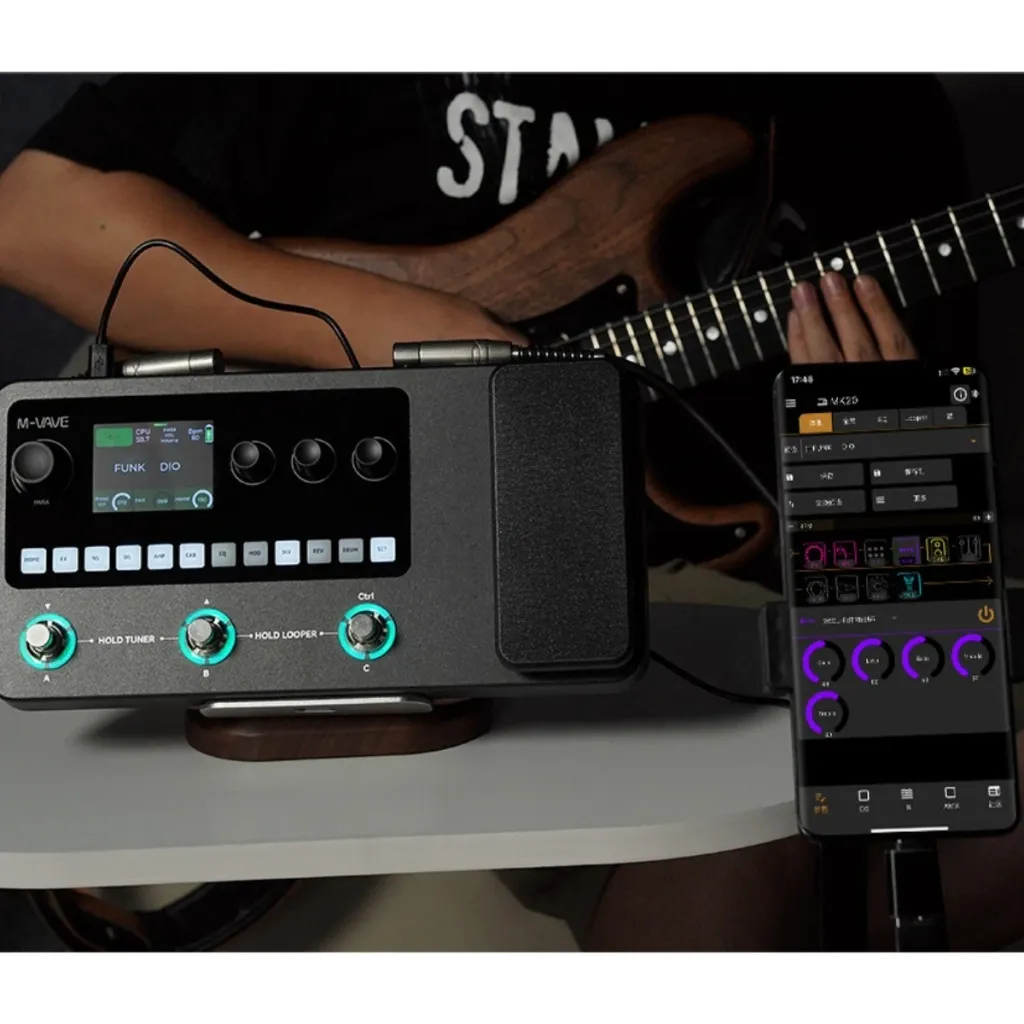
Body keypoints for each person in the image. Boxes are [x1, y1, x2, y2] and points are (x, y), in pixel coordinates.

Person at [0, 74, 1012, 952]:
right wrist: (396, 336)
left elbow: (906, 535)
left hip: (687, 601)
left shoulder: (871, 102)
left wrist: (879, 451)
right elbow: (36, 215)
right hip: (368, 576)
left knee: (749, 832)